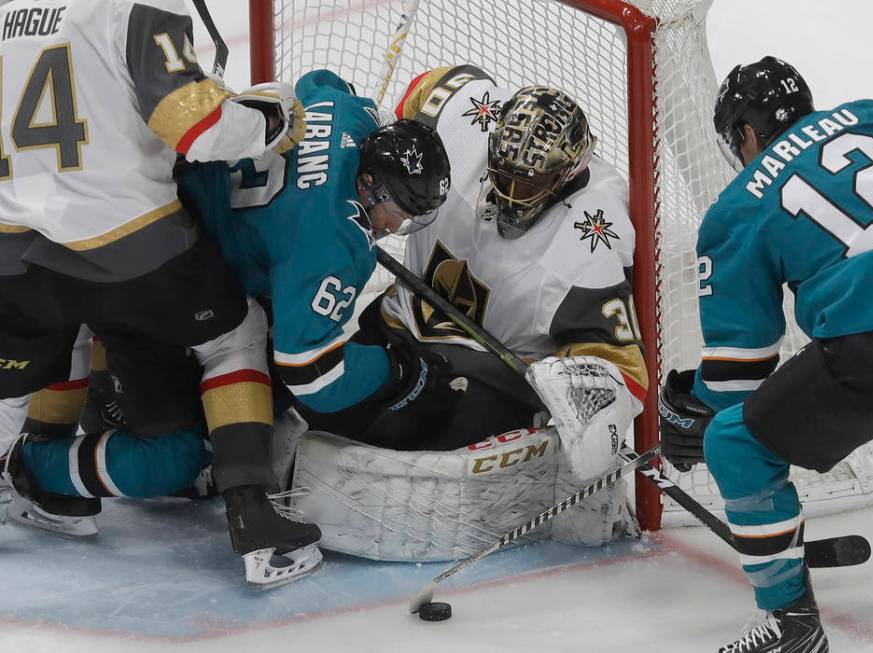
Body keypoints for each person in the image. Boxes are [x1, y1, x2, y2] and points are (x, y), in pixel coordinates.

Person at [1, 67, 453, 578]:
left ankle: (87, 419)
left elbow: (322, 81)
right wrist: (393, 370)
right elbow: (313, 375)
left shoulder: (356, 114)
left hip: (108, 215)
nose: (395, 227)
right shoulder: (331, 244)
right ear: (369, 180)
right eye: (395, 210)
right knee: (183, 442)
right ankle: (29, 467)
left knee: (79, 324)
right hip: (161, 265)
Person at [657, 56, 873, 652]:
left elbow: (740, 376)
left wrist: (688, 410)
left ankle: (792, 629)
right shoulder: (871, 116)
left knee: (736, 443)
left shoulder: (737, 207)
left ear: (746, 135)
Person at [0, 0, 318, 587]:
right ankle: (252, 513)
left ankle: (38, 485)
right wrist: (267, 125)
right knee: (233, 334)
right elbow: (192, 124)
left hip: (13, 243)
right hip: (125, 244)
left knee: (41, 339)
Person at [281, 65, 649, 563]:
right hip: (397, 323)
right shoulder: (467, 120)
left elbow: (624, 372)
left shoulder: (591, 238)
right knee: (304, 393)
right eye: (505, 173)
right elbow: (427, 90)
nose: (512, 192)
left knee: (398, 439)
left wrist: (578, 392)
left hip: (485, 376)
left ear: (567, 174)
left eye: (531, 181)